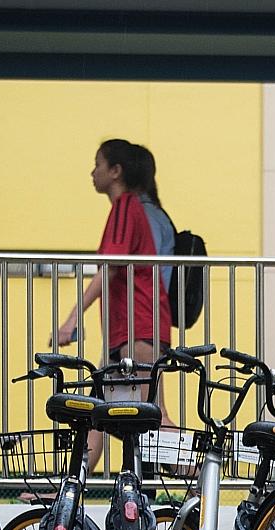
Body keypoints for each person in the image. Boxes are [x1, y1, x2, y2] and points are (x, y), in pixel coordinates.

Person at [55, 139, 176, 472]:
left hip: (138, 327)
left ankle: (203, 481)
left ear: (116, 171)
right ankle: (70, 488)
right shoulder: (132, 207)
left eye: (98, 164)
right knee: (96, 414)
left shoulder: (125, 206)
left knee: (156, 418)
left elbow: (109, 268)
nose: (92, 172)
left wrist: (71, 319)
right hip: (130, 330)